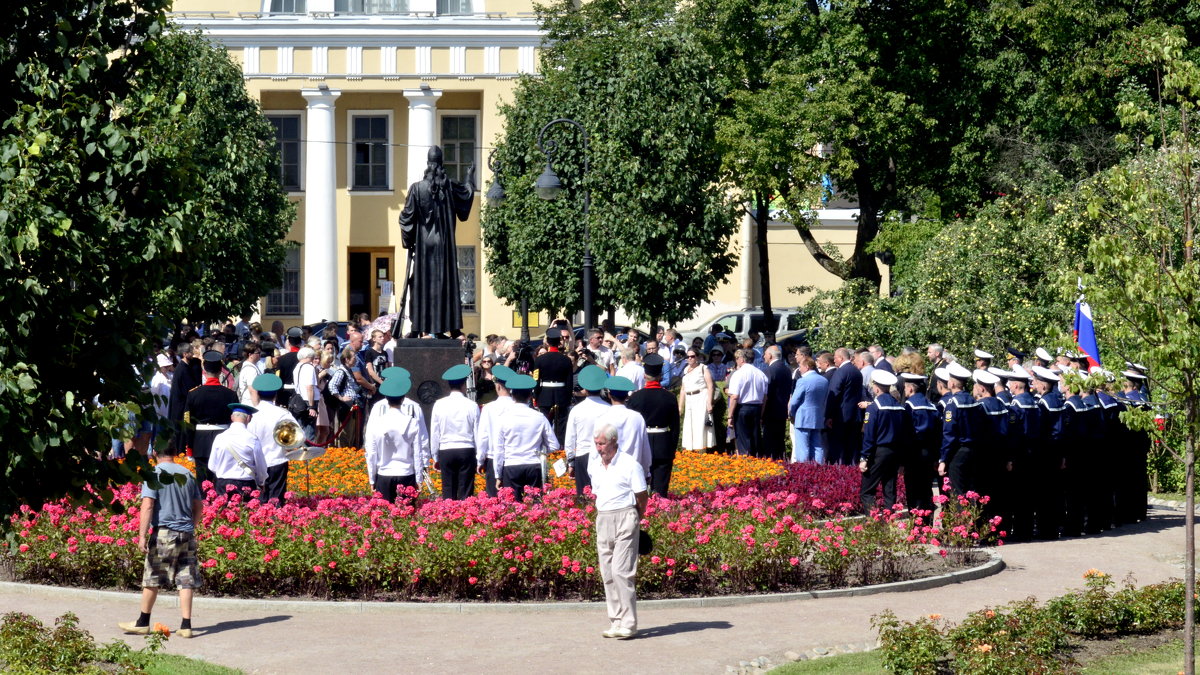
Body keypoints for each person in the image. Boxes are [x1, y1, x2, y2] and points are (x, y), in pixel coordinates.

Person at [118, 442, 203, 639]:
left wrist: (142, 535)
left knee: (152, 577)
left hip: (165, 532)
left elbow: (147, 505)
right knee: (186, 578)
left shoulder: (154, 474)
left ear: (154, 453)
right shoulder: (188, 474)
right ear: (174, 452)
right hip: (186, 533)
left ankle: (142, 622)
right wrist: (192, 525)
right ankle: (186, 625)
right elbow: (199, 505)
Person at [398, 145, 475, 337]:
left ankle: (417, 329)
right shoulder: (449, 186)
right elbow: (466, 197)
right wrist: (469, 177)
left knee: (421, 286)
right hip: (445, 247)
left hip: (424, 246)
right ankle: (451, 328)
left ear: (428, 165)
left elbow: (406, 219)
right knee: (445, 285)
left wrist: (409, 241)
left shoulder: (417, 188)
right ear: (441, 165)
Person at [589, 423, 648, 640]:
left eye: (602, 443)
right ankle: (615, 621)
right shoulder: (595, 465)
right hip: (603, 517)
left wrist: (636, 518)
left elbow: (642, 495)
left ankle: (629, 623)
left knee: (621, 571)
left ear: (614, 442)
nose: (599, 448)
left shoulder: (630, 464)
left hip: (626, 515)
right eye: (596, 444)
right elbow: (598, 492)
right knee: (607, 573)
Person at [494, 374, 559, 501]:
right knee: (534, 506)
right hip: (533, 465)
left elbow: (499, 449)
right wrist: (540, 448)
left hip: (511, 466)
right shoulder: (539, 417)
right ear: (530, 396)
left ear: (512, 396)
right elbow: (554, 445)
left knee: (513, 507)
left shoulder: (503, 418)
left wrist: (498, 474)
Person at [627, 354, 680, 498]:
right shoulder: (670, 397)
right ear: (661, 375)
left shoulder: (635, 397)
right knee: (661, 488)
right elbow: (675, 427)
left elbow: (630, 426)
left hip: (642, 443)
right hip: (663, 442)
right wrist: (672, 447)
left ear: (644, 375)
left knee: (640, 484)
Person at [182, 350, 238, 486]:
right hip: (224, 438)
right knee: (222, 479)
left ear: (204, 370)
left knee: (203, 482)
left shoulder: (194, 394)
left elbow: (187, 422)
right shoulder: (230, 394)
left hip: (200, 441)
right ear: (221, 371)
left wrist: (189, 446)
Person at [364, 377, 426, 502]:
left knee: (384, 517)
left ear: (386, 399)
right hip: (406, 474)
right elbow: (417, 453)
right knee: (407, 517)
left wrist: (372, 478)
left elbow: (371, 452)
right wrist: (419, 479)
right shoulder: (412, 422)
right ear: (403, 399)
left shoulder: (377, 422)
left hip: (384, 475)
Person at [245, 373, 298, 505]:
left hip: (255, 462)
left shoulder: (251, 413)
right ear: (275, 394)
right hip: (277, 460)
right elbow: (297, 435)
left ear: (257, 392)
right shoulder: (282, 413)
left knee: (258, 500)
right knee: (276, 501)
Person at [859, 370, 906, 513]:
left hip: (879, 451)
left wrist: (864, 456)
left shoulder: (874, 407)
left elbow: (869, 434)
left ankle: (874, 523)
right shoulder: (899, 407)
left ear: (876, 388)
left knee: (867, 491)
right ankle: (890, 517)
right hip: (895, 451)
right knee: (889, 487)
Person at [430, 364, 479, 500]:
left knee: (448, 489)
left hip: (446, 449)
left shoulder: (439, 404)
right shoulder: (472, 405)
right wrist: (479, 456)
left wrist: (435, 455)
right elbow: (477, 432)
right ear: (464, 384)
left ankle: (449, 517)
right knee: (466, 490)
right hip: (466, 449)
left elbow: (435, 432)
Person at [565, 365, 612, 496]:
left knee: (584, 496)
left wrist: (570, 461)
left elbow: (570, 438)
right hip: (604, 455)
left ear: (584, 388)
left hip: (583, 454)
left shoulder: (577, 410)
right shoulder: (608, 408)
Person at [938, 363, 984, 495]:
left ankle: (960, 516)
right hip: (973, 449)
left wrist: (943, 459)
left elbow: (949, 434)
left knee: (957, 491)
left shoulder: (953, 403)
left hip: (958, 450)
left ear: (951, 384)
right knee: (971, 490)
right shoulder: (973, 400)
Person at [208, 403, 268, 501]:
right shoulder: (252, 439)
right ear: (248, 418)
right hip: (246, 483)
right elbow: (261, 466)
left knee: (224, 514)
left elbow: (212, 466)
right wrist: (261, 482)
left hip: (223, 483)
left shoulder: (220, 438)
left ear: (232, 417)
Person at [596, 376, 652, 477]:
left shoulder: (602, 418)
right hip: (633, 472)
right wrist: (645, 472)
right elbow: (645, 451)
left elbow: (596, 451)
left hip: (609, 472)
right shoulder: (637, 417)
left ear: (609, 395)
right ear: (627, 396)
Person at [899, 372, 938, 512]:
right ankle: (928, 523)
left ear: (910, 389)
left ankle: (917, 526)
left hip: (913, 454)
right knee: (926, 490)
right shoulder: (932, 406)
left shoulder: (909, 406)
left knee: (913, 492)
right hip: (929, 454)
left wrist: (902, 460)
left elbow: (906, 434)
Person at [476, 364, 516, 497]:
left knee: (494, 500)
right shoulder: (518, 407)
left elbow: (483, 436)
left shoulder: (489, 408)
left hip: (493, 457)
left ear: (497, 386)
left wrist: (480, 460)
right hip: (513, 458)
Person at [535, 327, 574, 445]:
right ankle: (560, 451)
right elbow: (569, 382)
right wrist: (567, 398)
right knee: (561, 427)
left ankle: (546, 451)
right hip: (561, 395)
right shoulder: (566, 360)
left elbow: (536, 380)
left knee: (545, 426)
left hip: (544, 395)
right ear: (559, 341)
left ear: (547, 342)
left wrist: (536, 396)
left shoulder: (540, 360)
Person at [825, 347, 863, 465]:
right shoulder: (857, 371)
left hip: (840, 416)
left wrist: (828, 415)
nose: (834, 360)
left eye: (835, 358)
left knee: (838, 449)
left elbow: (834, 393)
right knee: (851, 448)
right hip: (855, 415)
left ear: (841, 358)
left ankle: (839, 473)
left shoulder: (841, 372)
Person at [788, 355, 828, 463]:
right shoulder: (823, 380)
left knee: (802, 447)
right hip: (818, 416)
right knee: (817, 445)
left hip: (803, 417)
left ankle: (804, 469)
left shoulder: (803, 381)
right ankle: (819, 469)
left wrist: (791, 413)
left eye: (800, 366)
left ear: (806, 367)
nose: (799, 369)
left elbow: (795, 401)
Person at [678, 347, 716, 452]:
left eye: (692, 356)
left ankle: (701, 451)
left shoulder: (703, 368)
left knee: (699, 425)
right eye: (688, 356)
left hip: (700, 398)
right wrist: (680, 406)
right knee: (689, 425)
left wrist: (709, 402)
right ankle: (690, 451)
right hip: (689, 399)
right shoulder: (685, 370)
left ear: (697, 357)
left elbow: (710, 386)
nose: (690, 358)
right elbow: (682, 389)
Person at [761, 345, 793, 461]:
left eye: (764, 354)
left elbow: (766, 393)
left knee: (769, 442)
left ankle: (771, 463)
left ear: (769, 355)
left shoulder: (769, 370)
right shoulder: (787, 369)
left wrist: (761, 412)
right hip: (781, 410)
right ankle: (781, 461)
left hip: (770, 411)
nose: (763, 357)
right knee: (779, 440)